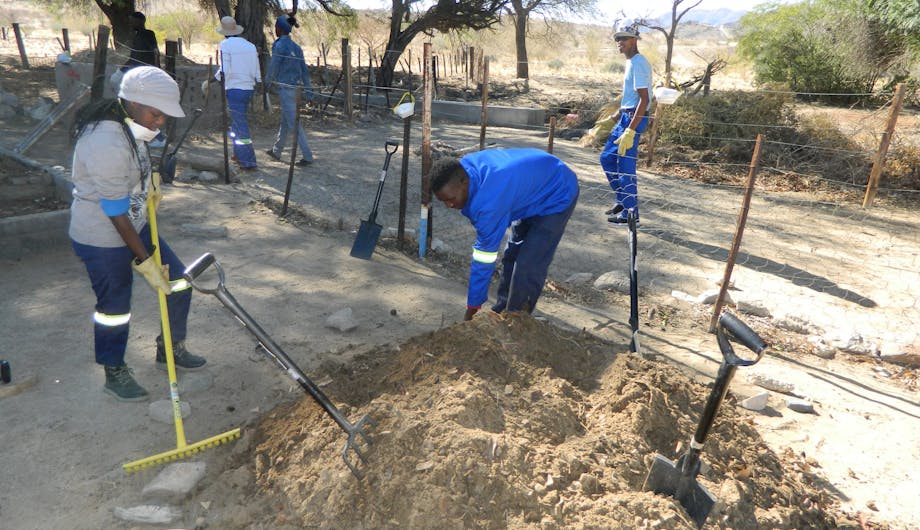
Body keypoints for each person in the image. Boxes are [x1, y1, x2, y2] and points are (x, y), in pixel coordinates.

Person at [69, 66, 207, 402]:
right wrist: (145, 261)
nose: (160, 122)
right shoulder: (106, 142)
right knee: (115, 307)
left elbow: (131, 178)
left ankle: (170, 348)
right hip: (102, 236)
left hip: (135, 224)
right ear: (132, 102)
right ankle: (113, 369)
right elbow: (114, 212)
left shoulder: (131, 125)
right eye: (155, 114)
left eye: (164, 116)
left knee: (179, 282)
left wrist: (148, 188)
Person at [431, 148, 580, 321]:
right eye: (443, 201)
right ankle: (502, 311)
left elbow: (484, 257)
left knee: (528, 265)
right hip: (528, 192)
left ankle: (517, 320)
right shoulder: (461, 171)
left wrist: (472, 308)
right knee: (511, 256)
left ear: (464, 182)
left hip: (558, 192)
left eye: (451, 199)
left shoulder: (489, 203)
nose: (449, 205)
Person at [599, 20, 651, 225]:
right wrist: (614, 117)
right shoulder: (630, 62)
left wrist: (630, 130)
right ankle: (622, 200)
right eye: (618, 38)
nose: (619, 42)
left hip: (634, 119)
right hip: (626, 116)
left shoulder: (639, 63)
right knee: (607, 158)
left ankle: (631, 214)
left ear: (634, 40)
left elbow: (644, 99)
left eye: (624, 38)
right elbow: (630, 98)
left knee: (625, 167)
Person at [212, 16, 261, 170]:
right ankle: (238, 154)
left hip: (235, 89)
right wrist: (258, 82)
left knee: (240, 124)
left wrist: (213, 80)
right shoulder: (250, 46)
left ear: (224, 32)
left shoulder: (225, 45)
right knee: (237, 122)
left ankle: (248, 161)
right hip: (248, 88)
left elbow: (225, 70)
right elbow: (257, 70)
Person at [265, 15, 314, 167]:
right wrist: (309, 92)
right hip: (296, 89)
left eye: (276, 27)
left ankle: (307, 156)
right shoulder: (296, 48)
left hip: (285, 89)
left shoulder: (279, 46)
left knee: (294, 124)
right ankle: (277, 150)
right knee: (286, 121)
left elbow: (273, 66)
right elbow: (304, 71)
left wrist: (266, 84)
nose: (275, 29)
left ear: (279, 29)